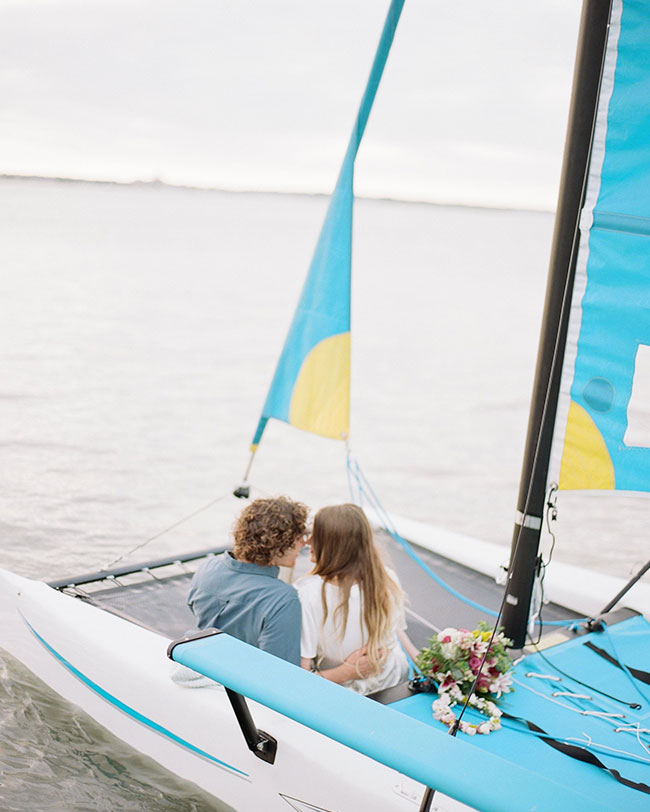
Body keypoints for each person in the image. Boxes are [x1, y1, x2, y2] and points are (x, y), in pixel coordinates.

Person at [296, 503, 418, 694]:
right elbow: (395, 632)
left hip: (342, 693)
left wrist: (346, 673)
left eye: (315, 535)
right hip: (393, 680)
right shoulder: (386, 578)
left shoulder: (307, 595)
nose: (308, 541)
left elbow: (301, 679)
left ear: (332, 545)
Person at [187, 496, 309, 666]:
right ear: (280, 543)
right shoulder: (283, 599)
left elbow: (194, 607)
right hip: (243, 684)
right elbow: (282, 671)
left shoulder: (207, 569)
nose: (304, 544)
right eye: (299, 538)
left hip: (206, 665)